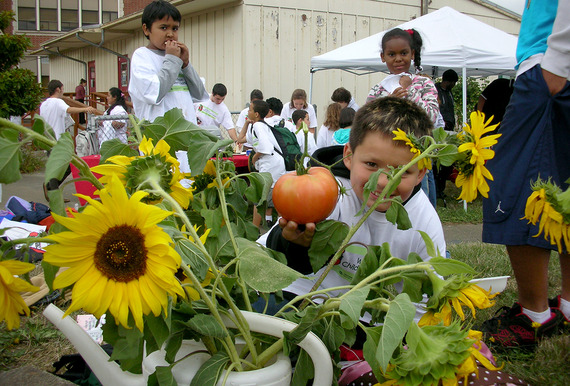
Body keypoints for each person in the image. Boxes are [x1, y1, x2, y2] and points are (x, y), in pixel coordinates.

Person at [260, 97, 445, 322]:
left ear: (420, 174)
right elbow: (274, 258)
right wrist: (294, 242)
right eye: (371, 165)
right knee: (263, 317)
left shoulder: (423, 221)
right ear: (348, 156)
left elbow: (424, 303)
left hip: (361, 314)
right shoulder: (329, 190)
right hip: (298, 292)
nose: (384, 181)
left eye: (402, 171)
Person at [480, 0, 570, 349]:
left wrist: (556, 62)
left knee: (515, 185)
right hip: (553, 64)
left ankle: (534, 315)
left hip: (550, 67)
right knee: (563, 191)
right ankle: (565, 304)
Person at [367, 28, 440, 206]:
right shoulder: (379, 89)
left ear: (412, 54)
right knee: (389, 203)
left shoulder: (423, 83)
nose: (398, 58)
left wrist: (408, 93)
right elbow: (367, 120)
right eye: (392, 54)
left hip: (417, 159)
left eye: (404, 53)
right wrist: (388, 101)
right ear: (383, 57)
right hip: (386, 161)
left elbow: (431, 116)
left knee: (419, 205)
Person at [128, 0, 208, 124]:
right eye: (163, 27)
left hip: (186, 135)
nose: (170, 34)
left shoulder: (177, 58)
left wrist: (186, 64)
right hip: (159, 136)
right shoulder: (142, 56)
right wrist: (172, 59)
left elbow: (199, 94)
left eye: (175, 28)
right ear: (146, 29)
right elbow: (155, 93)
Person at [39, 79, 97, 197]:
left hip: (47, 139)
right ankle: (50, 187)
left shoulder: (43, 104)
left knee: (56, 167)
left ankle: (52, 190)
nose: (62, 91)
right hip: (58, 141)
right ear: (58, 89)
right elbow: (69, 109)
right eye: (62, 89)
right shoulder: (57, 102)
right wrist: (85, 109)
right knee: (68, 166)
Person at [237, 100, 286, 229]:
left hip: (271, 164)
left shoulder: (259, 127)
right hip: (273, 164)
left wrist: (255, 158)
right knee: (274, 196)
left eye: (250, 110)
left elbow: (266, 148)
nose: (248, 111)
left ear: (257, 114)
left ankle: (255, 229)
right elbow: (240, 139)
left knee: (260, 197)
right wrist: (247, 123)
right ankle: (281, 225)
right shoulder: (257, 126)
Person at [433, 69, 459, 203]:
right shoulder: (435, 90)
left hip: (449, 130)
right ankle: (437, 190)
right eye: (453, 82)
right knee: (437, 163)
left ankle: (441, 189)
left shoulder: (449, 93)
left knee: (446, 164)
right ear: (448, 81)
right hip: (439, 130)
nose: (454, 85)